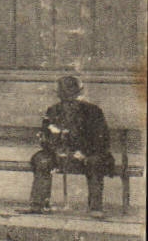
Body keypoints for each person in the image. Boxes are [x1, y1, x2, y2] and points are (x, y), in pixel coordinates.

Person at [24, 75, 115, 218]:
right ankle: (38, 204)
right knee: (41, 159)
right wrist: (56, 150)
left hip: (88, 154)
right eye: (64, 94)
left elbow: (102, 140)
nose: (68, 99)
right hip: (60, 155)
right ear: (59, 95)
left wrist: (83, 152)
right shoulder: (53, 111)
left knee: (95, 161)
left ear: (79, 93)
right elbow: (45, 137)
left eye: (71, 94)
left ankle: (95, 207)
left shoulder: (93, 111)